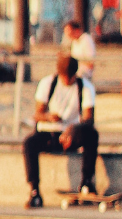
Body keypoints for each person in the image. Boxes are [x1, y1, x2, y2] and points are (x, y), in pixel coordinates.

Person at [22, 53, 98, 209]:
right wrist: (49, 117)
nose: (67, 81)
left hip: (73, 135)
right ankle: (34, 190)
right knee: (29, 143)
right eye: (64, 77)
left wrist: (73, 128)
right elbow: (37, 114)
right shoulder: (48, 84)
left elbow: (89, 119)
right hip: (49, 134)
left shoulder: (85, 87)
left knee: (92, 134)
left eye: (70, 78)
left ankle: (87, 182)